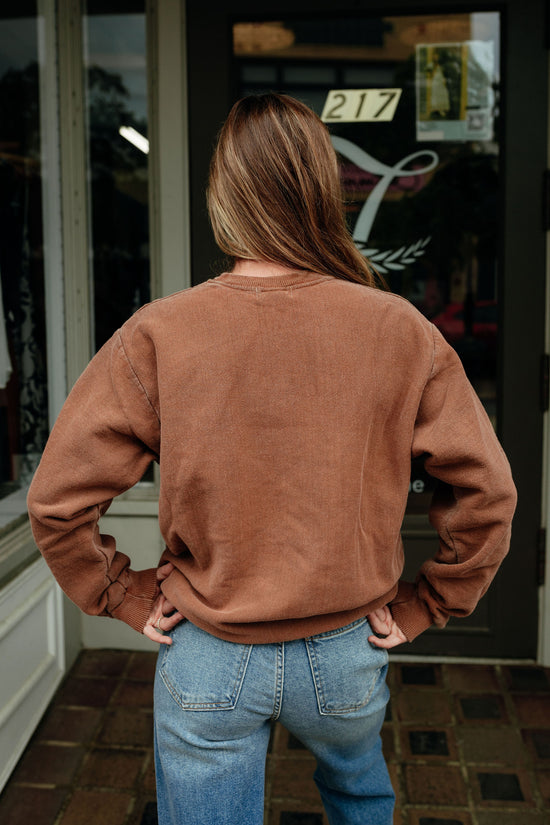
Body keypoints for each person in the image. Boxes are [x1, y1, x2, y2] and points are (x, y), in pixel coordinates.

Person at [27, 93, 517, 825]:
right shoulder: (397, 330)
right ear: (323, 190)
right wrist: (426, 604)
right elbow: (488, 493)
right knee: (359, 800)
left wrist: (121, 593)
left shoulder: (161, 332)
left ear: (224, 195)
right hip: (347, 653)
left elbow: (57, 499)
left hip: (210, 654)